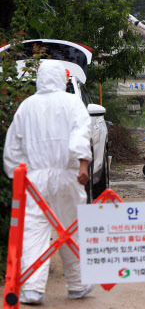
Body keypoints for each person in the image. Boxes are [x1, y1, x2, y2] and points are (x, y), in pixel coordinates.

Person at [3, 62, 94, 304]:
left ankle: (32, 289)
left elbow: (13, 148)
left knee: (34, 231)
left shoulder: (27, 106)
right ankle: (78, 284)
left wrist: (18, 176)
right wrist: (83, 164)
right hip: (67, 174)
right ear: (61, 80)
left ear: (40, 79)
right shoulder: (71, 102)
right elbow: (80, 134)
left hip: (35, 179)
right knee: (71, 228)